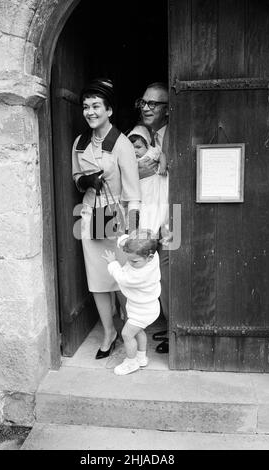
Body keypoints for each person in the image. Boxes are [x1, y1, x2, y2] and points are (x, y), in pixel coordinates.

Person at [72, 78, 141, 359]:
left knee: (122, 280)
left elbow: (134, 192)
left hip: (117, 218)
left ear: (109, 110)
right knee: (98, 280)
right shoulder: (80, 142)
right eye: (86, 107)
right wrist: (85, 180)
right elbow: (76, 177)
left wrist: (132, 233)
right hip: (91, 216)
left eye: (96, 106)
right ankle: (109, 331)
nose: (90, 112)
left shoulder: (121, 143)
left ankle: (130, 327)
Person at [134, 82, 169, 354]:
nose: (146, 107)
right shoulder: (142, 137)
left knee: (169, 268)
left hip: (171, 213)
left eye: (153, 104)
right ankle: (147, 325)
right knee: (148, 267)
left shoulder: (173, 135)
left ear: (167, 109)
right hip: (148, 212)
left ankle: (174, 329)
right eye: (144, 102)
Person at [102, 230, 160, 375]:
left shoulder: (139, 274)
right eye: (128, 259)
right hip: (145, 306)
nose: (131, 263)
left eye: (135, 261)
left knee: (127, 334)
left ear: (150, 256)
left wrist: (113, 263)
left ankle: (131, 362)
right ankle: (141, 358)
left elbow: (122, 278)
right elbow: (127, 241)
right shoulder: (152, 255)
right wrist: (123, 240)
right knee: (139, 331)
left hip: (143, 310)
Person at [127, 125, 168, 234]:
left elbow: (161, 155)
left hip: (152, 188)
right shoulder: (128, 159)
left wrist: (163, 167)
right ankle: (136, 232)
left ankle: (152, 231)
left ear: (147, 146)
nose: (135, 151)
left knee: (153, 208)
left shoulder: (151, 153)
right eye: (131, 148)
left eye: (138, 147)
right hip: (138, 191)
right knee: (137, 210)